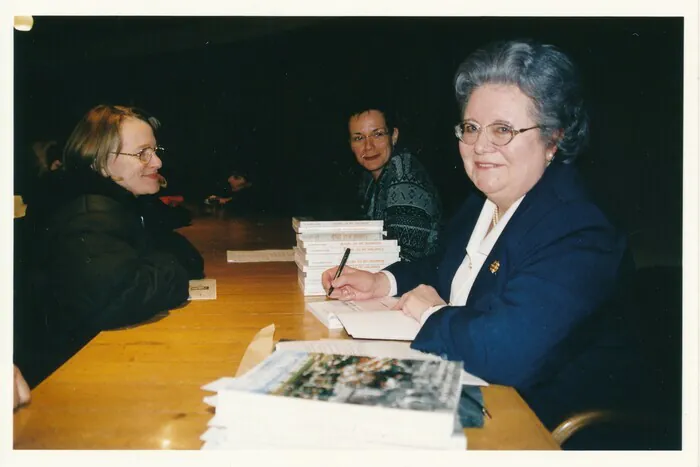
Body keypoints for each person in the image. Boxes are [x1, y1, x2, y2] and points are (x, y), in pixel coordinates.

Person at [324, 40, 643, 436]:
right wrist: (381, 281)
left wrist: (430, 315)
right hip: (465, 383)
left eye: (503, 130)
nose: (479, 146)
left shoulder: (580, 229)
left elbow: (505, 354)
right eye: (471, 128)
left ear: (553, 140)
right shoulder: (483, 202)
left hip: (532, 424)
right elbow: (441, 268)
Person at [16, 105, 204, 387]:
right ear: (101, 161)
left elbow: (184, 254)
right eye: (143, 153)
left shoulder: (121, 203)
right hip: (68, 379)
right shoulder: (89, 213)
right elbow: (117, 300)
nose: (157, 163)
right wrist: (170, 267)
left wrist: (159, 263)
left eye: (155, 151)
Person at [348, 104, 442, 262]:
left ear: (394, 136)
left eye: (377, 134)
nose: (368, 146)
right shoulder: (370, 179)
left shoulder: (404, 179)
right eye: (359, 138)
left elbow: (404, 260)